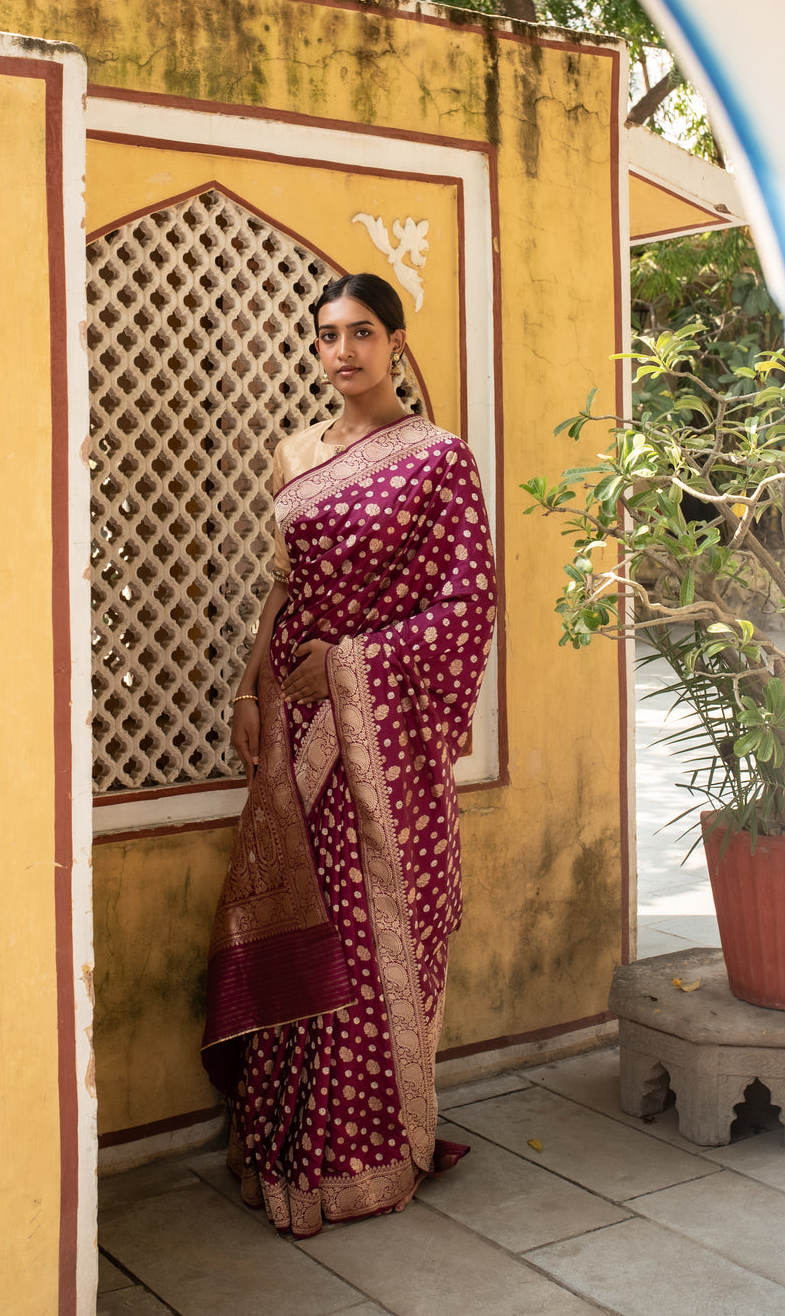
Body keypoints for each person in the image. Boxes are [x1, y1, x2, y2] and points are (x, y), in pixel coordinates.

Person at [201, 272, 497, 1237]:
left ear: (398, 343)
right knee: (300, 924)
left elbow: (465, 608)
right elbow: (281, 594)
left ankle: (366, 1151)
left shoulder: (439, 460)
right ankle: (291, 1141)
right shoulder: (294, 455)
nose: (342, 351)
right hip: (293, 739)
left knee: (369, 938)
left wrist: (349, 664)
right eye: (327, 335)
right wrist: (251, 690)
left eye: (362, 333)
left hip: (380, 743)